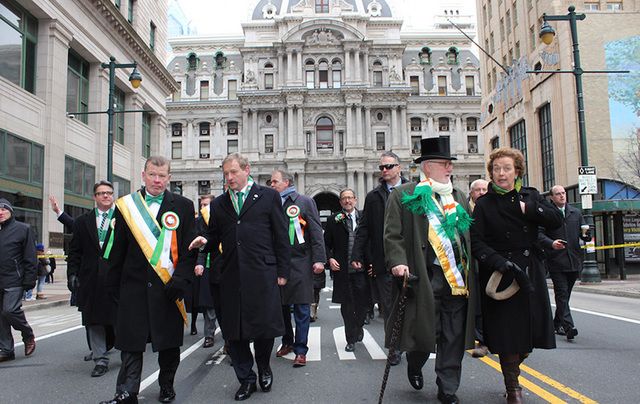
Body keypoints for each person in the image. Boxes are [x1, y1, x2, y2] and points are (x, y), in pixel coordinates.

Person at [189, 153, 291, 401]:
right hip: (230, 275)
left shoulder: (268, 196)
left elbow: (281, 235)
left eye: (233, 172)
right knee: (234, 331)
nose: (229, 178)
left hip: (262, 273)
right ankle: (246, 379)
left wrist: (283, 271)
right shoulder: (219, 203)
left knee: (264, 328)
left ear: (247, 170)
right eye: (225, 174)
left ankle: (264, 366)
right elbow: (214, 236)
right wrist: (205, 241)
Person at [384, 138, 476, 404]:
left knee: (453, 336)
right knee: (423, 335)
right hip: (425, 278)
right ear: (427, 166)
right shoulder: (404, 195)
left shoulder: (458, 196)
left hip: (457, 280)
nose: (449, 168)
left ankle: (447, 388)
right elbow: (393, 235)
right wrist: (398, 262)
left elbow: (467, 237)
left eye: (450, 164)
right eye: (444, 164)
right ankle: (415, 362)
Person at [100, 156, 197, 404]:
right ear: (143, 175)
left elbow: (189, 250)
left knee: (168, 345)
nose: (157, 180)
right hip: (132, 289)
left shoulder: (184, 206)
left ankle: (166, 386)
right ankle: (126, 392)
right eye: (152, 174)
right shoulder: (126, 206)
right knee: (131, 345)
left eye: (162, 176)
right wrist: (111, 288)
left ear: (169, 178)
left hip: (168, 288)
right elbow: (114, 250)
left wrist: (182, 281)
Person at [470, 147, 562, 404]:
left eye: (506, 168)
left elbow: (556, 219)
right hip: (501, 276)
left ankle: (516, 369)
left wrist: (529, 210)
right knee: (507, 336)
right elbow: (476, 242)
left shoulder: (531, 196)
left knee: (528, 335)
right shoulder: (485, 204)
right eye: (496, 169)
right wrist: (499, 263)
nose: (501, 174)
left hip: (530, 273)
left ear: (517, 171)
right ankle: (513, 388)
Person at [351, 151, 408, 365]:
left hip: (411, 260)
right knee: (389, 306)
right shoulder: (374, 197)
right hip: (383, 261)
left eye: (389, 166)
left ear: (399, 167)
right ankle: (394, 347)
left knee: (412, 305)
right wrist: (357, 254)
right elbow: (364, 229)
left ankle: (413, 344)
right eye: (382, 167)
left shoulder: (414, 192)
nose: (384, 170)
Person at [270, 169, 325, 367]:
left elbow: (316, 231)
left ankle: (301, 350)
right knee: (282, 306)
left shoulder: (305, 201)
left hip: (301, 260)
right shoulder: (271, 202)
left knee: (301, 307)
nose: (272, 185)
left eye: (275, 181)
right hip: (278, 262)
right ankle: (287, 341)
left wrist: (319, 259)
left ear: (286, 182)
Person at [67, 180, 118, 378]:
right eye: (101, 193)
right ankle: (100, 359)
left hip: (117, 278)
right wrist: (72, 273)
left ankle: (123, 348)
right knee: (94, 320)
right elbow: (75, 251)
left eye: (109, 193)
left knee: (117, 318)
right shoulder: (82, 221)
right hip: (91, 279)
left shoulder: (124, 219)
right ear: (95, 197)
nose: (106, 196)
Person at [538, 185, 589, 341]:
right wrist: (551, 243)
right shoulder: (547, 214)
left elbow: (584, 233)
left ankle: (556, 323)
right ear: (551, 197)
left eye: (563, 193)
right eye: (558, 194)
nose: (561, 196)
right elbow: (539, 235)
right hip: (556, 260)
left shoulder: (575, 213)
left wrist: (587, 236)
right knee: (561, 293)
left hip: (574, 260)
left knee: (566, 295)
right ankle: (568, 327)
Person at [324, 188, 368, 353]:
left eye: (350, 198)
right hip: (343, 270)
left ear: (355, 200)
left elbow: (371, 241)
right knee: (347, 306)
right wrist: (330, 258)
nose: (347, 201)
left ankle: (358, 326)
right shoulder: (333, 220)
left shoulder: (364, 218)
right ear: (340, 202)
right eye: (344, 199)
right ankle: (350, 339)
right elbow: (326, 243)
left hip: (363, 269)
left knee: (364, 305)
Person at [0, 198, 37, 362]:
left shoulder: (23, 229)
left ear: (10, 211)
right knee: (1, 317)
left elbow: (30, 257)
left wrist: (30, 279)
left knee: (10, 311)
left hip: (14, 279)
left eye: (3, 209)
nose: (0, 212)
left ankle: (27, 334)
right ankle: (7, 350)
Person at [194, 194, 221, 349]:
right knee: (208, 303)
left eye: (206, 205)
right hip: (207, 265)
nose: (203, 208)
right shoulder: (199, 222)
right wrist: (199, 263)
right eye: (202, 205)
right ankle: (209, 335)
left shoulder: (220, 219)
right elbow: (200, 245)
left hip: (222, 264)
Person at [468, 179, 489, 358]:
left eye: (484, 189)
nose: (481, 192)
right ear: (471, 193)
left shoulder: (492, 209)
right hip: (470, 263)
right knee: (477, 304)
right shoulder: (463, 210)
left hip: (489, 262)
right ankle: (480, 339)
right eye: (478, 190)